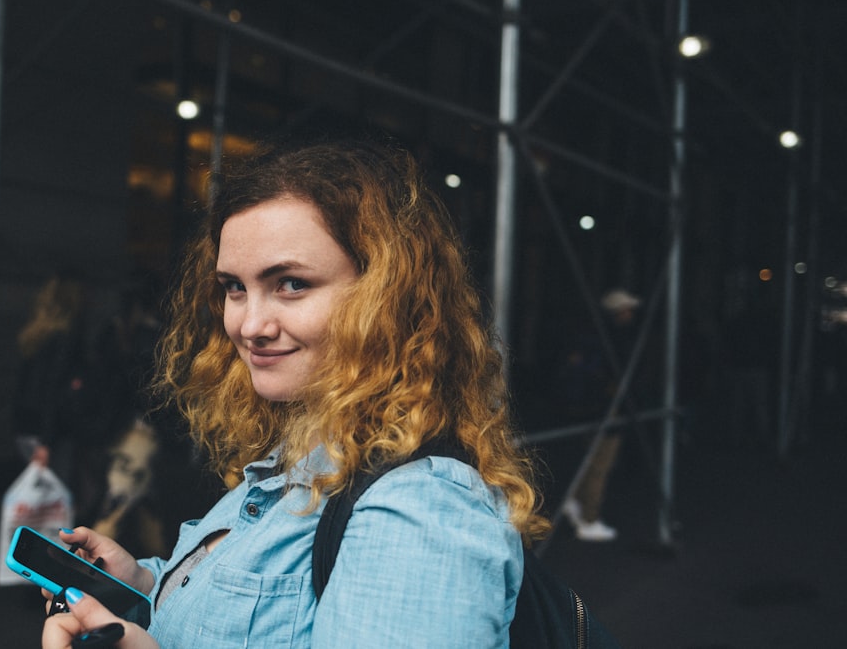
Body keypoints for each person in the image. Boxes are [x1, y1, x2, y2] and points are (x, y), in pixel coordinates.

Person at [38, 137, 550, 648]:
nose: (249, 324)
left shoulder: (419, 511)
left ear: (387, 298)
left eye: (290, 284)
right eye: (234, 287)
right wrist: (144, 583)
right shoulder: (299, 452)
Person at [12, 274, 108, 525]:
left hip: (25, 429)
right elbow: (54, 393)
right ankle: (55, 555)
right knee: (60, 501)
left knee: (41, 500)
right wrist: (46, 442)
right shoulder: (67, 338)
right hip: (52, 434)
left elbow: (26, 389)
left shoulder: (34, 335)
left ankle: (34, 550)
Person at [562, 288, 641, 542]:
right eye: (627, 309)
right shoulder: (615, 341)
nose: (631, 314)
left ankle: (576, 502)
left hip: (587, 408)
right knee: (601, 464)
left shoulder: (590, 336)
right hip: (606, 407)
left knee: (590, 459)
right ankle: (589, 519)